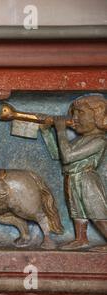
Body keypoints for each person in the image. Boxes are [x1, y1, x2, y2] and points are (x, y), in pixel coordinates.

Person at [54, 94, 107, 251]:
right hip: (72, 178)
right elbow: (59, 153)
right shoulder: (79, 139)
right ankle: (81, 238)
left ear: (97, 116)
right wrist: (49, 133)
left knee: (96, 211)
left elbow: (68, 156)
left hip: (86, 179)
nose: (74, 118)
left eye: (80, 113)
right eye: (73, 113)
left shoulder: (99, 140)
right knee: (77, 211)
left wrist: (61, 131)